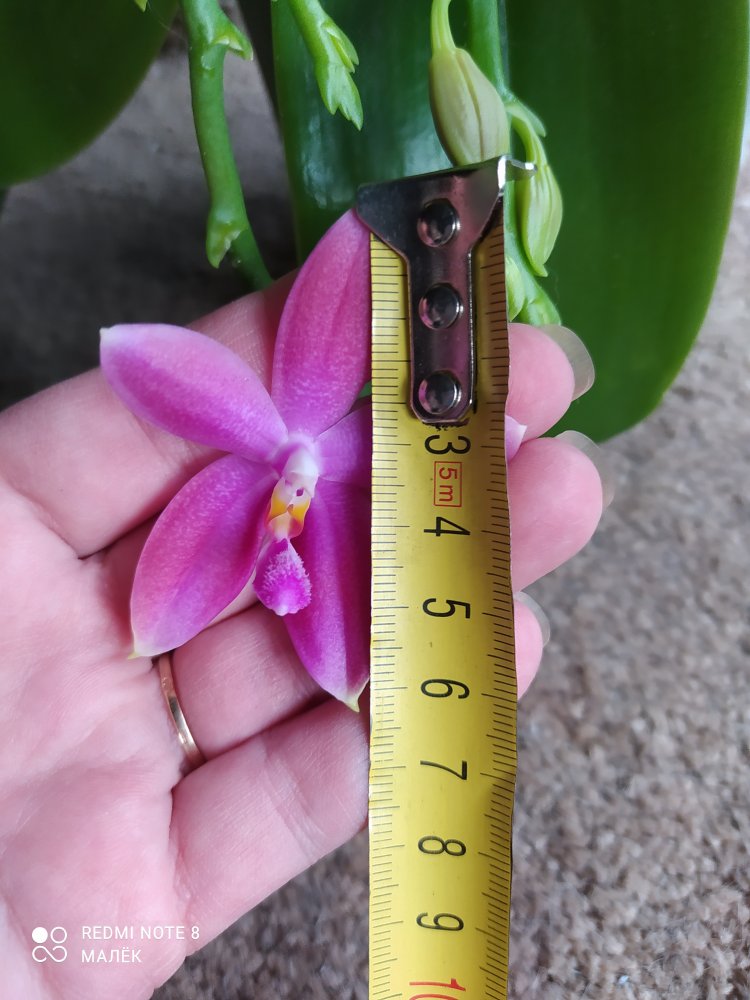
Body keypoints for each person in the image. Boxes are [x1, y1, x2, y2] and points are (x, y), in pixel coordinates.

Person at [0, 277, 609, 999]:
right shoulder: (233, 488)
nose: (291, 506)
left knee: (347, 659)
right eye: (290, 503)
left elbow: (472, 451)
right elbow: (164, 600)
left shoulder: (339, 495)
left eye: (293, 503)